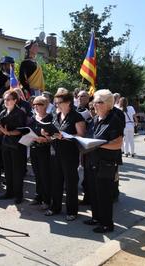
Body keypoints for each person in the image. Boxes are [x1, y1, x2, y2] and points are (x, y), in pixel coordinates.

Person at [84, 89, 124, 233]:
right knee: (94, 192)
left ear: (108, 104)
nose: (95, 105)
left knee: (104, 195)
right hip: (92, 161)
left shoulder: (114, 120)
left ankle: (107, 224)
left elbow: (118, 144)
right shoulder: (95, 119)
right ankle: (96, 218)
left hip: (106, 164)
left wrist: (99, 145)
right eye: (94, 102)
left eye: (99, 102)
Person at [45, 88, 85, 221]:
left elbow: (81, 135)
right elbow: (53, 132)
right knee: (56, 181)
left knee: (70, 183)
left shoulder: (76, 116)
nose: (56, 105)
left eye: (59, 102)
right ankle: (54, 207)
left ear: (68, 102)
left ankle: (72, 211)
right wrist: (47, 134)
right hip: (55, 152)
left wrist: (66, 136)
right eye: (56, 102)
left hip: (70, 154)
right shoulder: (56, 116)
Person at [0, 90, 27, 204]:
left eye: (8, 99)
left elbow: (21, 130)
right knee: (8, 170)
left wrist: (7, 132)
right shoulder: (3, 112)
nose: (6, 101)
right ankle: (9, 192)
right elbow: (0, 126)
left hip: (17, 145)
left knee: (17, 171)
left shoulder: (20, 112)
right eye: (5, 99)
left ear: (15, 100)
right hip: (5, 144)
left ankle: (19, 195)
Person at [29, 96, 52, 209]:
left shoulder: (50, 118)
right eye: (35, 105)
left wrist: (46, 138)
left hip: (45, 149)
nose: (36, 107)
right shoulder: (33, 118)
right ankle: (39, 196)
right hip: (34, 148)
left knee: (45, 175)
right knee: (37, 174)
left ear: (45, 105)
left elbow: (54, 135)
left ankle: (47, 200)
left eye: (39, 104)